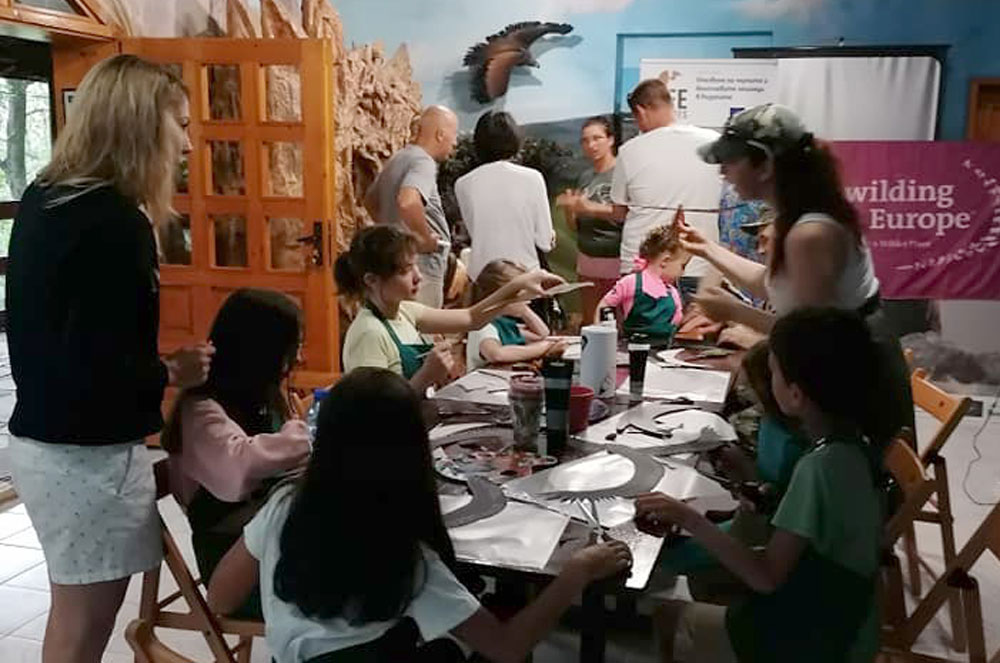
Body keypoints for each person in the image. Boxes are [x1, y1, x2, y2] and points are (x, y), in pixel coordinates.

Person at [5, 55, 215, 663]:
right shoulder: (114, 222)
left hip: (48, 445)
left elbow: (73, 340)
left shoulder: (47, 197)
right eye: (180, 124)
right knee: (81, 629)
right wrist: (171, 373)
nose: (189, 144)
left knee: (74, 617)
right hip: (84, 454)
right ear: (140, 124)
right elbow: (92, 369)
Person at [206, 367, 632, 662]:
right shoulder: (401, 555)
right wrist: (575, 573)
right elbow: (507, 647)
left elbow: (220, 598)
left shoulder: (284, 505)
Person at [636, 308, 885, 663]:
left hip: (819, 638)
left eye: (774, 371)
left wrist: (686, 517)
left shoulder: (820, 467)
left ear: (795, 394)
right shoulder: (852, 445)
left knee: (666, 616)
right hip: (849, 614)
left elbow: (766, 576)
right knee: (710, 577)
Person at [681, 102, 913, 445]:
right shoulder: (800, 218)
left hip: (852, 388)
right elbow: (778, 286)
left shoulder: (811, 234)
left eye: (731, 160)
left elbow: (810, 335)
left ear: (764, 164)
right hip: (844, 366)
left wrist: (734, 312)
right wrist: (708, 250)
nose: (723, 172)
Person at [161, 289, 311, 619]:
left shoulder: (265, 398)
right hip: (235, 569)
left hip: (277, 545)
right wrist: (304, 434)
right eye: (292, 349)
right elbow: (238, 471)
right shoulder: (201, 411)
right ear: (260, 352)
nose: (299, 359)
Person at [336, 225, 564, 392]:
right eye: (405, 271)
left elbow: (471, 317)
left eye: (416, 266)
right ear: (371, 280)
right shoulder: (369, 334)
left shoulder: (405, 311)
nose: (418, 276)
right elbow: (375, 415)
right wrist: (427, 375)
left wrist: (519, 286)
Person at [604, 79, 722, 299]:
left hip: (643, 266)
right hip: (702, 264)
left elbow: (619, 211)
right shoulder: (714, 142)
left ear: (641, 111)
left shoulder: (630, 151)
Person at [364, 105, 459, 307]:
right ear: (440, 134)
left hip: (398, 267)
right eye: (454, 134)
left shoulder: (398, 158)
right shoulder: (424, 162)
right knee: (422, 325)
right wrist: (423, 239)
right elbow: (408, 201)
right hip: (421, 270)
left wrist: (395, 234)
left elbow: (370, 202)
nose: (456, 142)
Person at [455, 110, 556, 280]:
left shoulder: (462, 184)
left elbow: (474, 233)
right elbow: (544, 242)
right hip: (525, 277)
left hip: (482, 278)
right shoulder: (533, 178)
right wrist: (551, 236)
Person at [556, 116, 621, 322]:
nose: (591, 145)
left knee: (618, 321)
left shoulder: (622, 173)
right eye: (585, 140)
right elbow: (575, 226)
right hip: (588, 261)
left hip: (617, 261)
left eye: (597, 138)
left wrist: (589, 208)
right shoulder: (585, 177)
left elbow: (628, 213)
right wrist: (570, 209)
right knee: (592, 321)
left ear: (610, 140)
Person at [465, 259, 567, 370]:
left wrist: (524, 311)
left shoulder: (505, 323)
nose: (528, 301)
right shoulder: (483, 325)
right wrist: (544, 348)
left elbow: (542, 335)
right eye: (522, 295)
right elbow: (496, 354)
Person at [596, 224, 688, 344]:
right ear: (665, 261)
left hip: (663, 347)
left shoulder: (673, 293)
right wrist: (600, 338)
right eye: (682, 266)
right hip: (632, 346)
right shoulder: (630, 282)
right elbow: (604, 306)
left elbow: (677, 321)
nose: (683, 272)